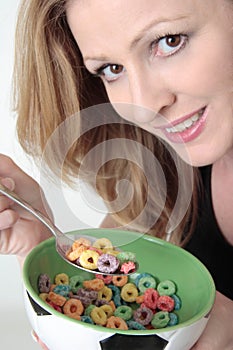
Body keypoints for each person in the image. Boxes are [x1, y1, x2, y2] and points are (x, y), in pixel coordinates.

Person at [0, 0, 233, 349]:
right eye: (111, 68)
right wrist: (39, 246)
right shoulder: (168, 171)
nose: (144, 103)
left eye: (169, 41)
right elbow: (102, 292)